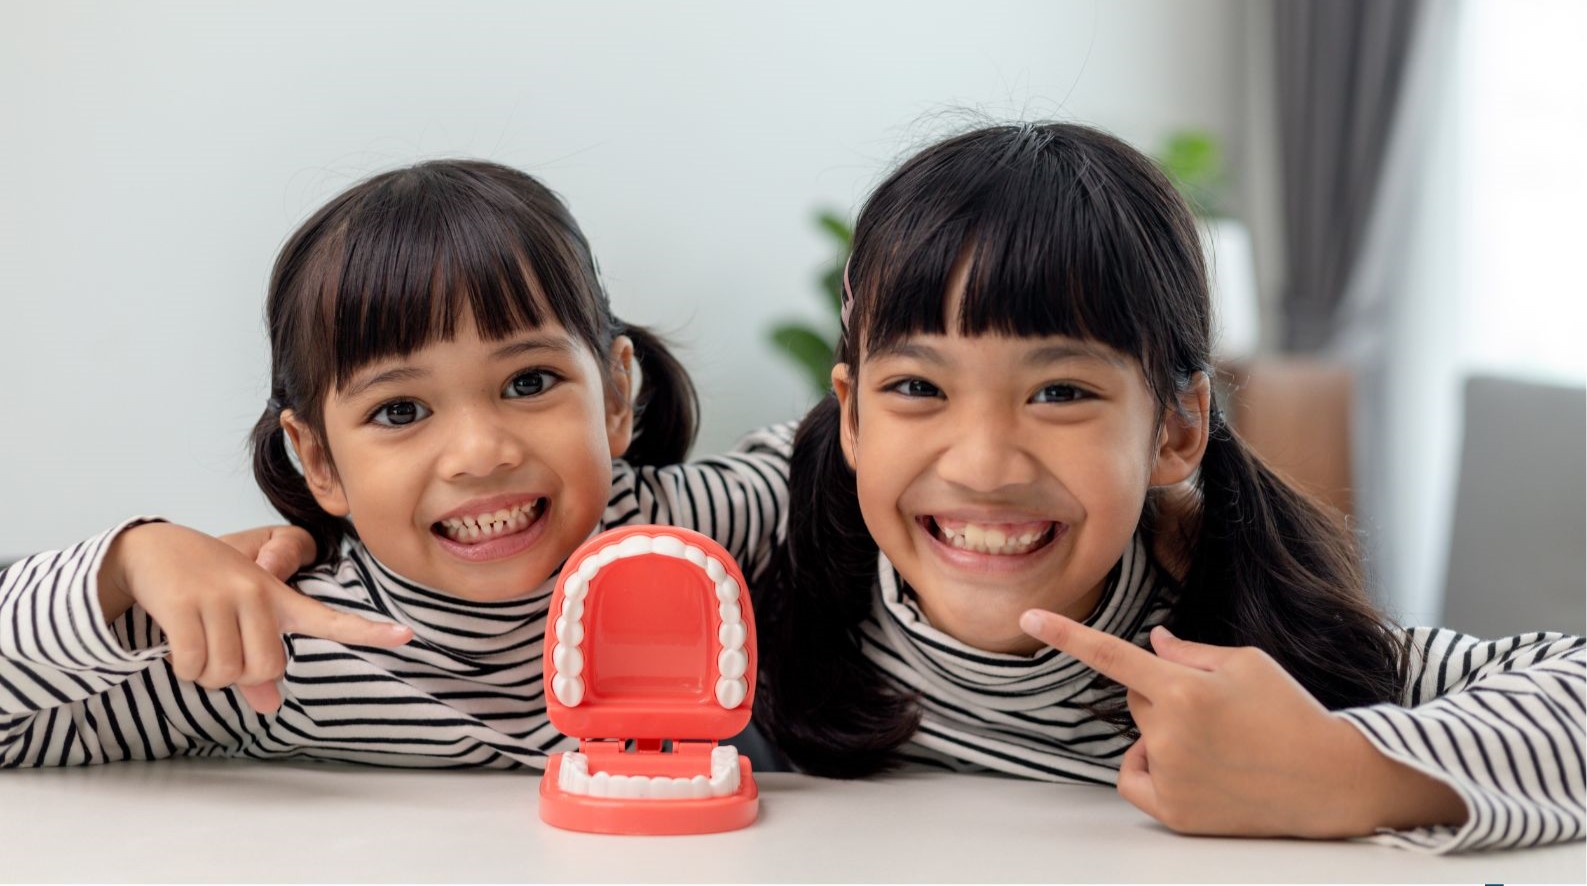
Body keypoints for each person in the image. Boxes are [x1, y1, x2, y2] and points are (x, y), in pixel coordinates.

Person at [752, 122, 1585, 852]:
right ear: (852, 414)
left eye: (1060, 394)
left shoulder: (1246, 657)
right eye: (917, 388)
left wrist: (1340, 772)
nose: (982, 467)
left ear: (1177, 427)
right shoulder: (768, 546)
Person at [0, 159, 790, 768]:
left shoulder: (685, 535)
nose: (481, 454)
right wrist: (129, 561)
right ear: (319, 460)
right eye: (400, 411)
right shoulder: (290, 653)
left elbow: (835, 464)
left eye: (528, 382)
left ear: (615, 396)